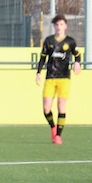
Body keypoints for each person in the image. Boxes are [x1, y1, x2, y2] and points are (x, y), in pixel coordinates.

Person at [35, 14, 81, 145]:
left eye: (61, 24)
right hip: (50, 77)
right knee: (46, 109)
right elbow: (43, 57)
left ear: (65, 26)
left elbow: (77, 55)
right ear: (54, 26)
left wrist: (77, 63)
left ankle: (58, 136)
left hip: (64, 78)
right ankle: (53, 127)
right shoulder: (49, 41)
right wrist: (38, 72)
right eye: (57, 25)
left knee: (61, 105)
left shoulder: (70, 41)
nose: (59, 27)